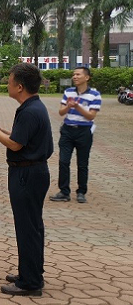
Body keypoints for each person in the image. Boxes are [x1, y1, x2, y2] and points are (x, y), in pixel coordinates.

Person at [0, 63, 53, 297]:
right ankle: (31, 272)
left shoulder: (30, 111)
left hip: (27, 174)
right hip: (32, 172)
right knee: (31, 226)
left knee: (28, 227)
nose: (7, 84)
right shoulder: (33, 107)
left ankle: (30, 282)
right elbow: (21, 137)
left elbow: (16, 145)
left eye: (9, 81)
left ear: (19, 87)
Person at [50, 67, 101, 204]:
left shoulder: (95, 95)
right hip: (67, 130)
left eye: (78, 74)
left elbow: (91, 116)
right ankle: (64, 191)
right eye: (74, 74)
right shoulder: (68, 92)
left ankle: (81, 192)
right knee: (63, 161)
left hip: (84, 131)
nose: (75, 77)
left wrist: (77, 107)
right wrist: (69, 106)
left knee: (82, 163)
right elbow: (61, 112)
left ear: (87, 77)